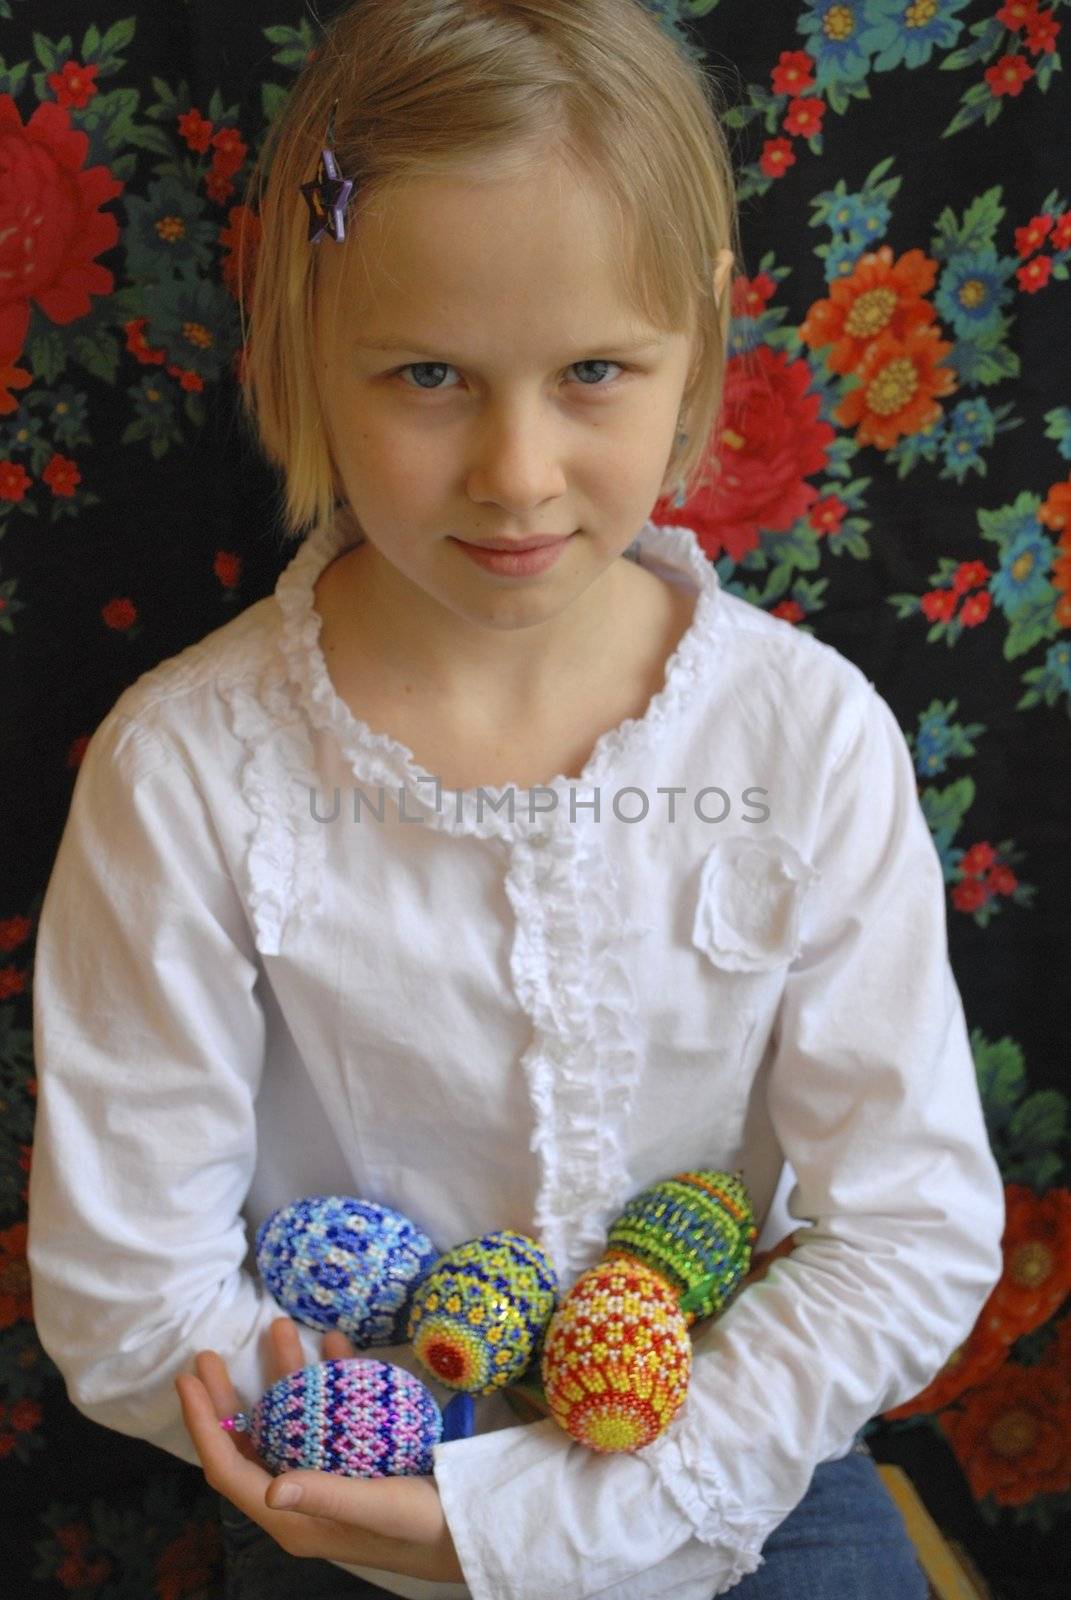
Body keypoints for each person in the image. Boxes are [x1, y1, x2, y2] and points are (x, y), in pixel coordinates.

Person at [27, 2, 1005, 1597]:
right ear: (300, 345)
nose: (519, 472)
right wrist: (406, 1467)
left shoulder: (804, 738)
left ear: (698, 339)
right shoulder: (190, 768)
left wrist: (581, 1515)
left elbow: (911, 1225)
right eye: (429, 375)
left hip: (732, 1461)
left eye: (596, 372)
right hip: (345, 1502)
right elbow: (126, 1284)